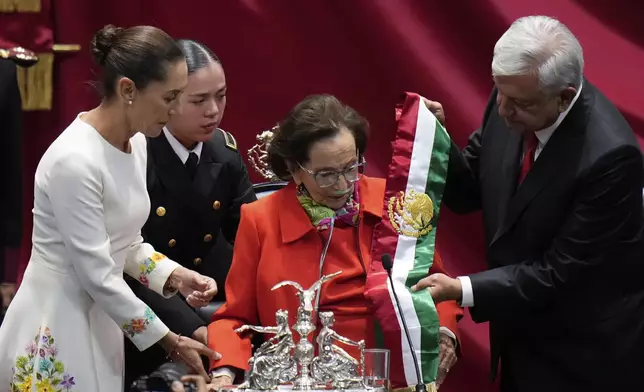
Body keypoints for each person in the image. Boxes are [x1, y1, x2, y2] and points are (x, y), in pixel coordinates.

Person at [413, 15, 644, 391]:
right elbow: (468, 188)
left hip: (582, 357)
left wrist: (461, 287)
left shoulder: (611, 158)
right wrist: (436, 141)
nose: (503, 110)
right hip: (521, 335)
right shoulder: (514, 91)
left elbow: (558, 274)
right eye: (498, 93)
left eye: (518, 103)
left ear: (565, 96)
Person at [0, 25, 223, 391]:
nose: (177, 109)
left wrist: (177, 277)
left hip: (105, 319)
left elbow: (126, 243)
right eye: (169, 97)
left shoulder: (136, 142)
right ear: (128, 90)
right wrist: (169, 338)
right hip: (55, 323)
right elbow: (97, 273)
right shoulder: (74, 160)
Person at [205, 95, 462, 390]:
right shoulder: (260, 220)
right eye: (326, 175)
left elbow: (438, 287)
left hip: (392, 375)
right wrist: (223, 375)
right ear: (294, 167)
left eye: (351, 167)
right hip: (303, 379)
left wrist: (444, 333)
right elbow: (235, 318)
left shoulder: (396, 204)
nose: (342, 185)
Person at [124, 39, 256, 388]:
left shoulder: (224, 152)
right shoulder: (137, 154)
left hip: (215, 303)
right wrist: (191, 326)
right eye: (199, 101)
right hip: (150, 312)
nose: (213, 110)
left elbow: (249, 235)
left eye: (221, 96)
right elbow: (125, 259)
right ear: (167, 99)